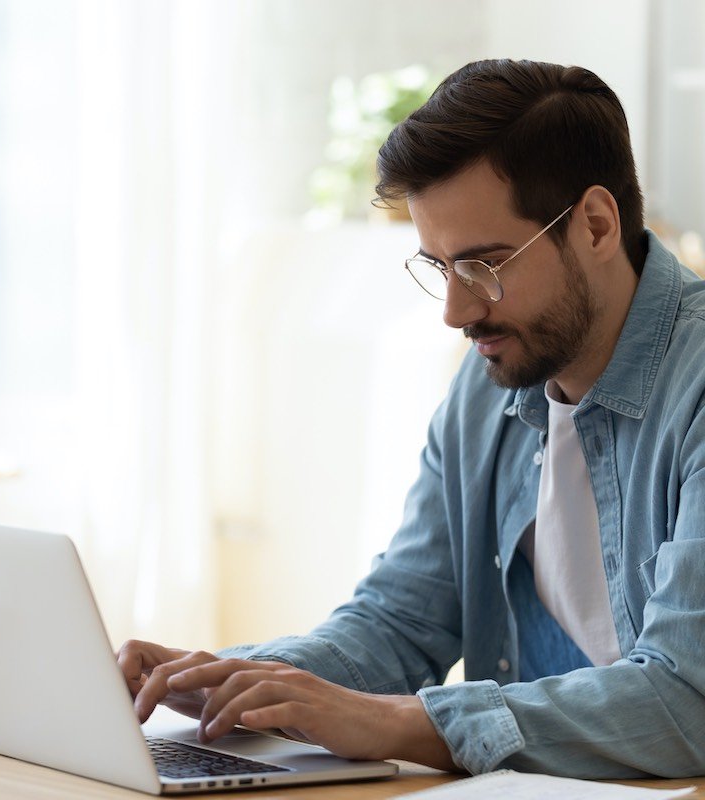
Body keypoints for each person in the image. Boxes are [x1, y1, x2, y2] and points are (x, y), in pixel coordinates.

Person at [117, 59, 705, 779]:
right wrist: (236, 681)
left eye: (485, 265)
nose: (456, 312)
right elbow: (401, 622)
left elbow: (686, 697)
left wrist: (398, 721)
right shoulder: (488, 386)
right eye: (439, 267)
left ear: (594, 223)